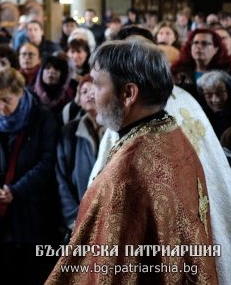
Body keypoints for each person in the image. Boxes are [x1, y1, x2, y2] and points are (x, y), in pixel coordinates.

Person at [47, 41, 218, 284]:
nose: (91, 94)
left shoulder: (129, 171)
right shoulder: (171, 134)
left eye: (96, 83)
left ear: (128, 94)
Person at [0, 67, 59, 284]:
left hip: (31, 206)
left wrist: (16, 189)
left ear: (20, 92)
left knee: (30, 269)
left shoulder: (42, 117)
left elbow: (47, 162)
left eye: (6, 100)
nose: (0, 107)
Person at [55, 76, 103, 232]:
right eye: (84, 91)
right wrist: (73, 218)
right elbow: (62, 179)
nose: (89, 95)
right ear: (79, 100)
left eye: (94, 90)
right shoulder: (68, 132)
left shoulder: (117, 129)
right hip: (78, 218)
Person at [196, 70, 231, 138]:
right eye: (209, 95)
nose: (215, 100)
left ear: (228, 91)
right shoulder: (200, 116)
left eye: (220, 92)